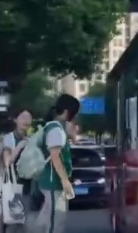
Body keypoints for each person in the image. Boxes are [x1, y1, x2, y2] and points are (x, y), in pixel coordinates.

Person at [36, 94, 81, 233]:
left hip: (51, 182)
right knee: (56, 222)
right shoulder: (55, 129)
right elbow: (55, 156)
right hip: (53, 183)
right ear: (68, 111)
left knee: (46, 219)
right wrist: (65, 180)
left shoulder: (54, 127)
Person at [2, 110, 33, 233]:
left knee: (22, 222)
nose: (26, 120)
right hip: (12, 184)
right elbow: (7, 161)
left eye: (29, 117)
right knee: (13, 222)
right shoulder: (8, 138)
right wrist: (20, 146)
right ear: (16, 120)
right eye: (23, 117)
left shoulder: (30, 140)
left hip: (27, 185)